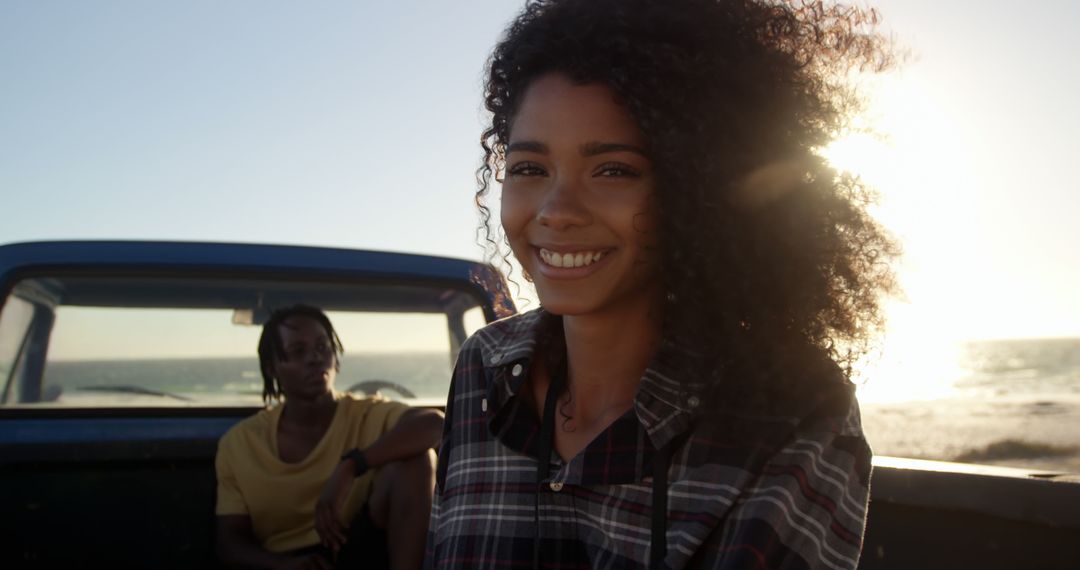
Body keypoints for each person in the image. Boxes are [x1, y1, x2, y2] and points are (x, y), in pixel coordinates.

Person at [426, 0, 897, 568]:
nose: (557, 211)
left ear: (698, 188)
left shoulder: (791, 411)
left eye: (614, 170)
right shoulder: (485, 367)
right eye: (530, 168)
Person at [216, 304, 443, 570]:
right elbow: (228, 543)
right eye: (297, 351)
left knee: (418, 459)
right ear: (272, 368)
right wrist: (284, 566)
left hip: (362, 549)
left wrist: (351, 466)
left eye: (323, 347)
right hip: (283, 562)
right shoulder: (240, 443)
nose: (314, 358)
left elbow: (435, 425)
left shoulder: (366, 414)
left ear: (336, 357)